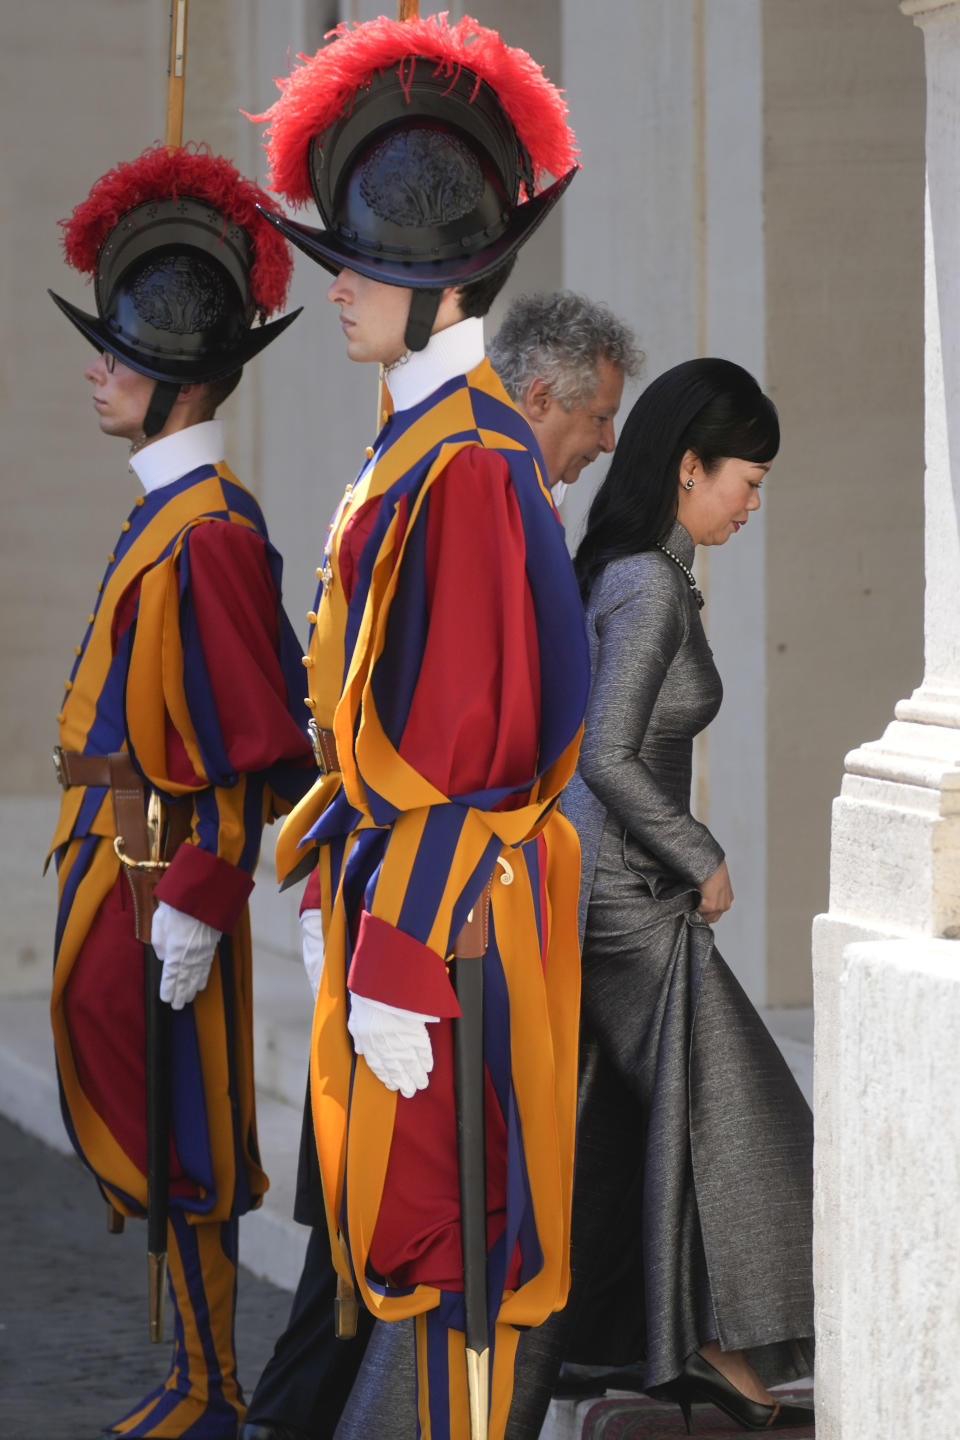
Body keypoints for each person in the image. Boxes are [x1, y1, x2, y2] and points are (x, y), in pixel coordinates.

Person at [242, 15, 589, 1440]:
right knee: (401, 1236)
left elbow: (470, 735)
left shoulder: (466, 462)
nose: (336, 293)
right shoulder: (423, 442)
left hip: (448, 924)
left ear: (438, 287)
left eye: (362, 269)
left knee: (456, 1249)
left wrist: (395, 944)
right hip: (403, 902)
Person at [47, 143, 314, 1440]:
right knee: (154, 1132)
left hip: (163, 876)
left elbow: (249, 744)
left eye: (116, 352)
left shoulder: (206, 528)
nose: (97, 372)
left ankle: (212, 1390)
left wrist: (203, 901)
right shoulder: (169, 512)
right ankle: (185, 1374)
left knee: (187, 1140)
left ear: (171, 376)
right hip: (118, 859)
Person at [507, 358, 815, 1436]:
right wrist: (700, 853)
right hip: (628, 901)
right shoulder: (643, 583)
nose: (754, 501)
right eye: (748, 477)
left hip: (610, 897)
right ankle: (719, 1342)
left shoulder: (648, 572)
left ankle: (667, 1353)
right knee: (751, 1114)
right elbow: (606, 753)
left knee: (619, 1135)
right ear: (689, 466)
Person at [489, 290, 642, 501]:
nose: (609, 443)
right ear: (540, 399)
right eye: (600, 419)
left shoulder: (527, 490)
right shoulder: (470, 490)